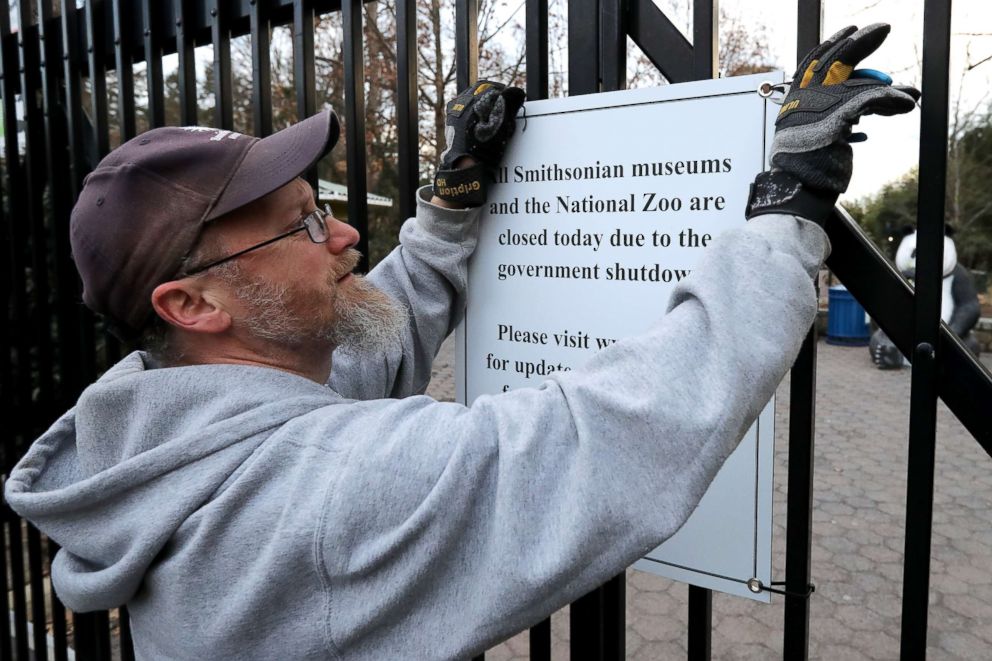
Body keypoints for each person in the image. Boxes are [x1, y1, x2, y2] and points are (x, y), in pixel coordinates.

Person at [5, 24, 918, 660]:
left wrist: (446, 210)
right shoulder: (324, 500)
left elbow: (362, 354)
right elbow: (609, 434)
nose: (344, 237)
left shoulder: (154, 436)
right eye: (300, 227)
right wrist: (785, 214)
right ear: (193, 304)